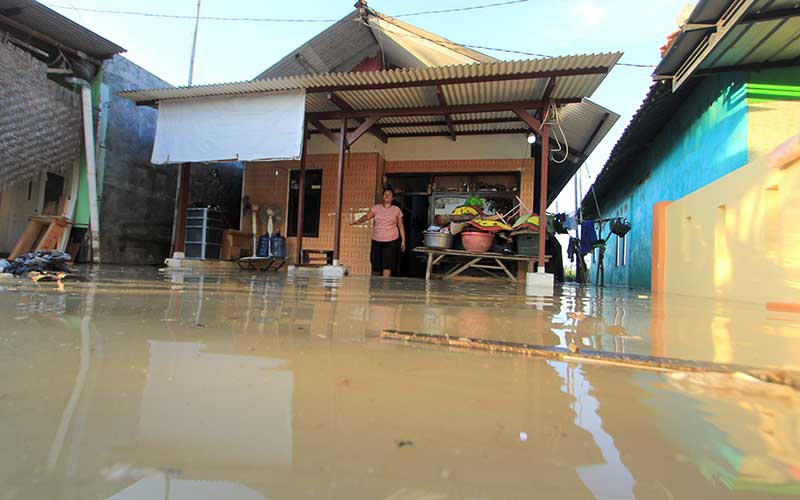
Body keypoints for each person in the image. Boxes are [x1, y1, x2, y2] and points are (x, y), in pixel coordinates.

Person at [351, 188, 406, 277]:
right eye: (385, 194)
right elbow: (367, 216)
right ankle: (376, 285)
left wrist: (403, 240)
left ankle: (384, 286)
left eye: (389, 194)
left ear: (392, 198)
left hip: (391, 240)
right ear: (382, 197)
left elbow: (400, 225)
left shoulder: (396, 210)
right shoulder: (376, 208)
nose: (387, 196)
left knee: (387, 264)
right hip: (377, 239)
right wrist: (358, 221)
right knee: (375, 263)